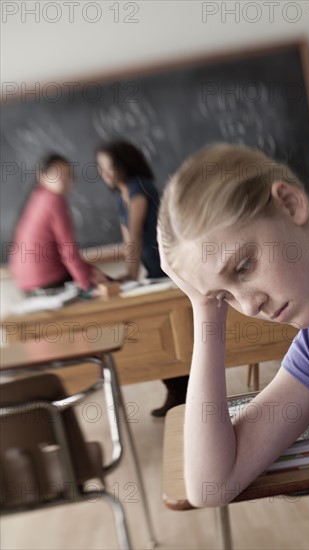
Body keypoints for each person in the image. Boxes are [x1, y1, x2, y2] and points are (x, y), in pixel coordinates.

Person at [157, 143, 309, 506]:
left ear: (290, 204)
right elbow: (211, 485)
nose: (250, 305)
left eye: (243, 267)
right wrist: (205, 306)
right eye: (226, 296)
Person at [96, 140, 189, 417]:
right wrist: (129, 275)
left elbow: (135, 234)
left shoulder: (140, 187)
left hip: (170, 267)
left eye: (108, 167)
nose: (105, 174)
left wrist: (132, 273)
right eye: (100, 169)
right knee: (158, 329)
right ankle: (177, 391)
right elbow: (128, 242)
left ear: (123, 164)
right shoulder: (119, 195)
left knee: (173, 331)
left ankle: (180, 392)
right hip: (153, 270)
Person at [9, 154, 107, 297]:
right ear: (41, 176)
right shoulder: (54, 200)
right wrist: (87, 286)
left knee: (95, 275)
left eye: (68, 174)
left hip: (27, 286)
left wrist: (89, 271)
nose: (65, 179)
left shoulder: (37, 196)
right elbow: (68, 251)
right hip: (48, 282)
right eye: (57, 174)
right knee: (105, 285)